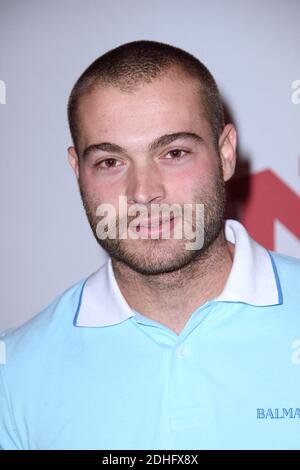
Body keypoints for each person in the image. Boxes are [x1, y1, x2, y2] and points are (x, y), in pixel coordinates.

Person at [0, 40, 299, 451]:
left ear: (226, 153)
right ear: (77, 170)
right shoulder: (14, 372)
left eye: (173, 152)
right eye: (110, 162)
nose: (142, 193)